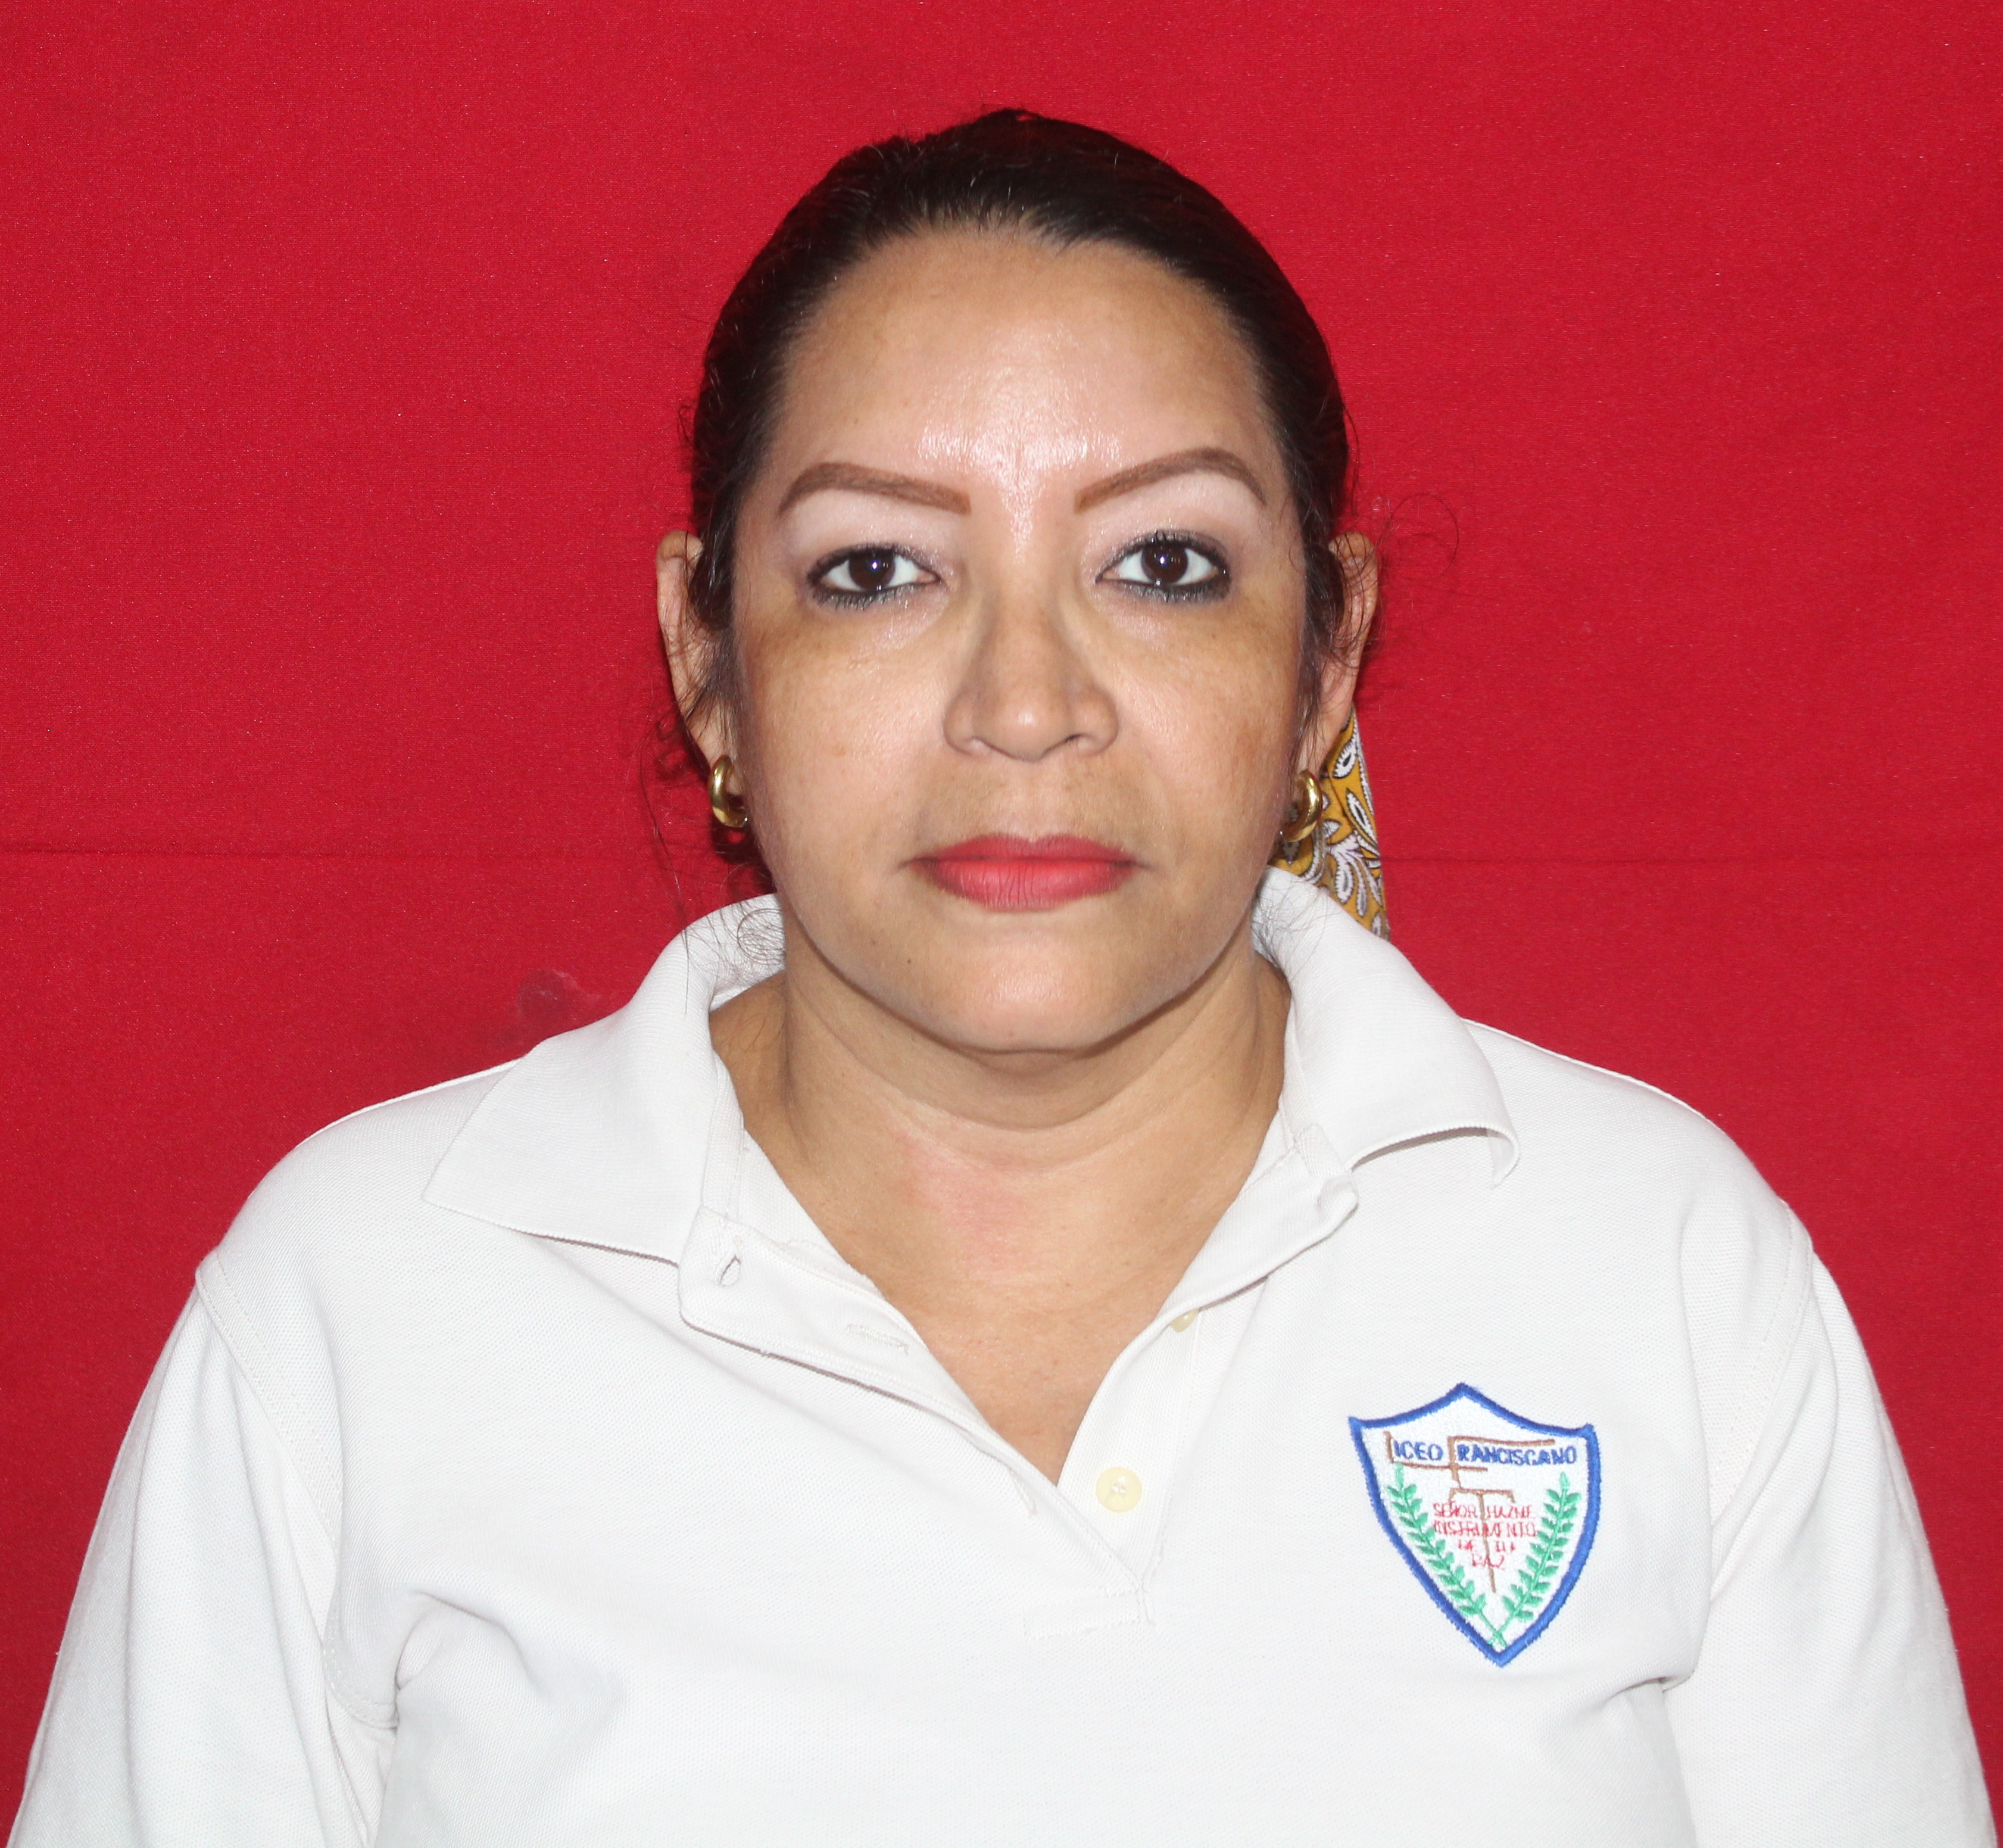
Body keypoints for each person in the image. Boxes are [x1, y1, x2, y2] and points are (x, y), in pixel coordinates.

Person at [12, 111, 1991, 1848]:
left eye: (1164, 564)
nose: (1026, 704)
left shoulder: (1651, 1262)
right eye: (877, 569)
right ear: (708, 656)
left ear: (1324, 658)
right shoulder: (369, 1300)